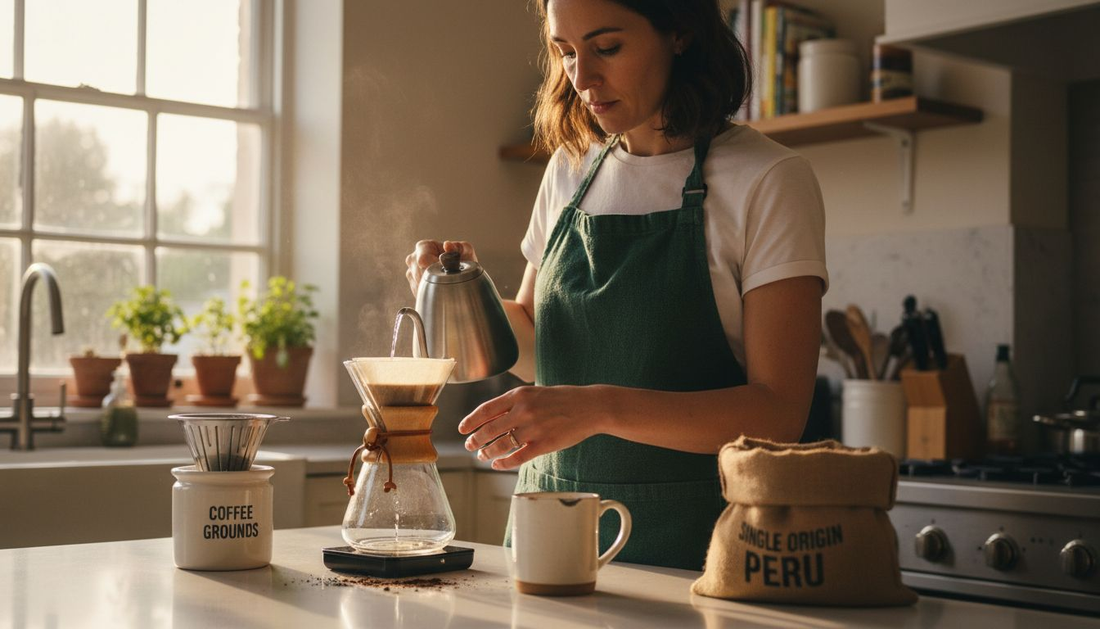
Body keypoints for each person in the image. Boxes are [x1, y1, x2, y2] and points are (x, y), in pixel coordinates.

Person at [405, 0, 827, 571]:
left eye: (607, 48)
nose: (581, 78)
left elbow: (779, 413)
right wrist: (456, 293)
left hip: (699, 550)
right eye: (566, 53)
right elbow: (533, 350)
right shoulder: (570, 169)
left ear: (679, 32)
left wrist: (599, 408)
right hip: (548, 537)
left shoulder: (769, 180)